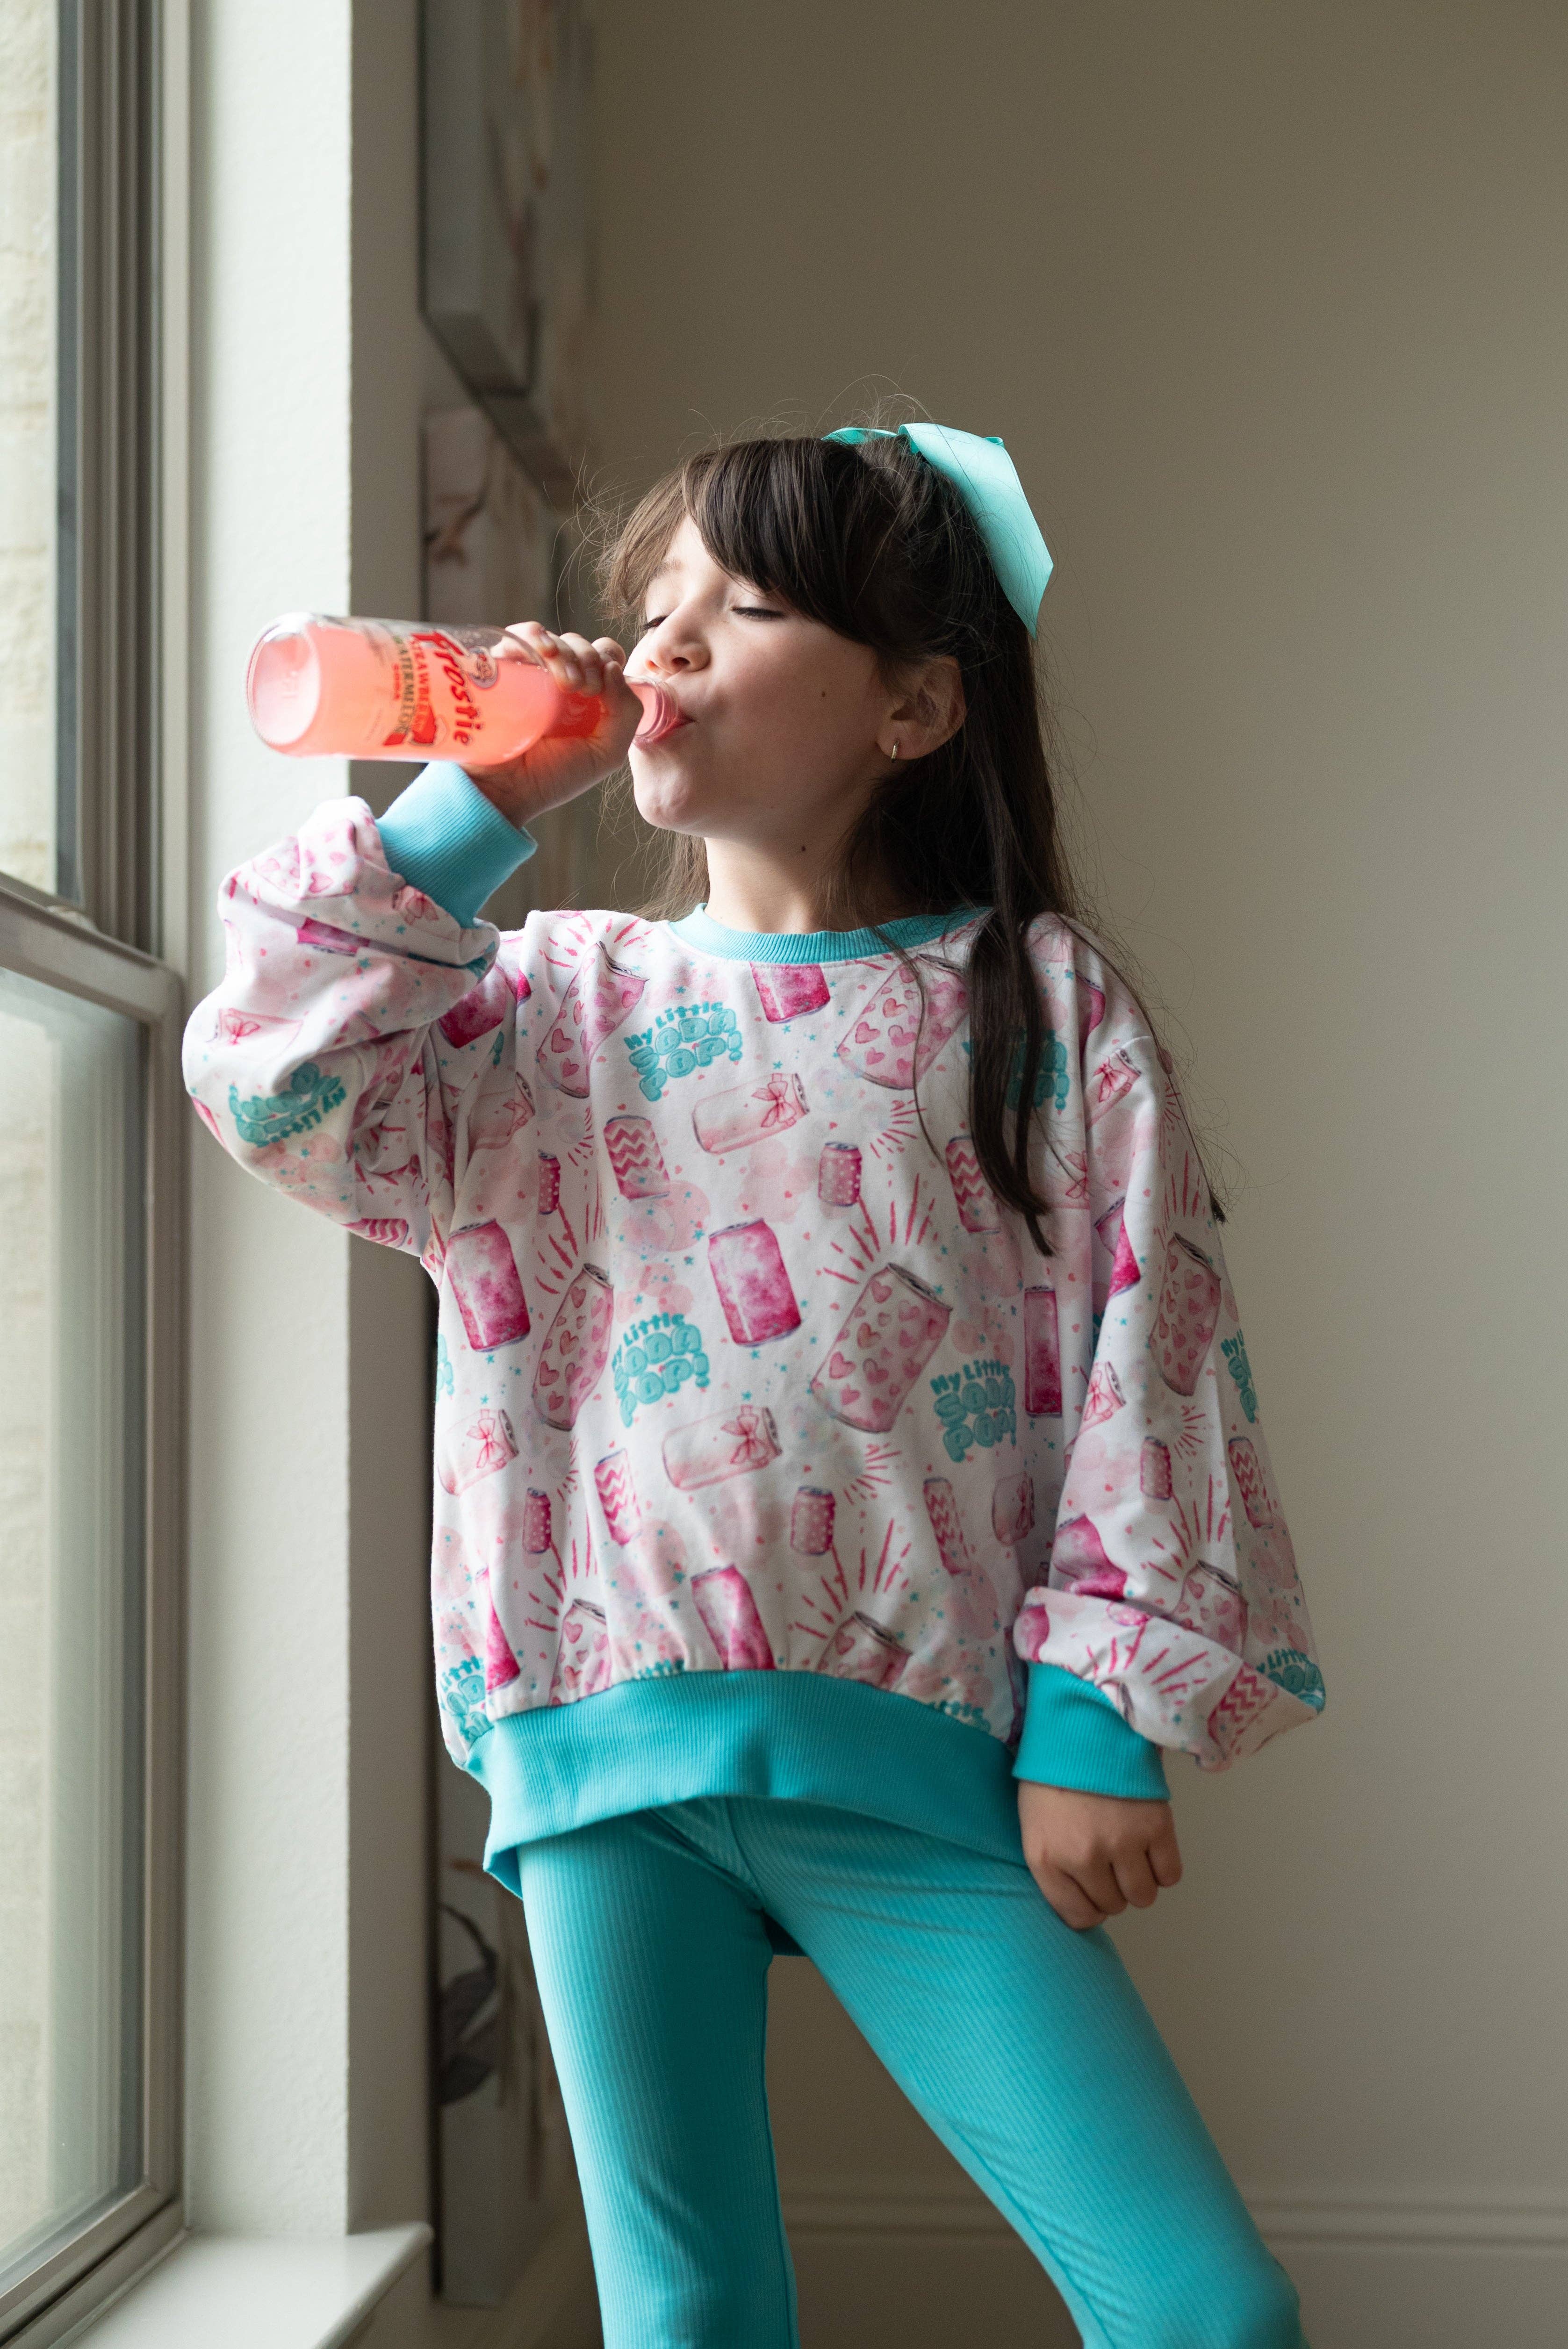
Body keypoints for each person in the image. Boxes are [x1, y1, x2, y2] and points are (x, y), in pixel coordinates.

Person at [185, 421, 1325, 2348]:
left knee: (1205, 2311)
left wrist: (1094, 1718)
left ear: (913, 708)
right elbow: (270, 1074)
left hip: (920, 1748)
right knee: (690, 2320)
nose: (667, 641)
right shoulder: (546, 1003)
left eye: (749, 603)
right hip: (599, 1757)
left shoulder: (1036, 1002)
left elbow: (1155, 1353)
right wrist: (476, 806)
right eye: (657, 605)